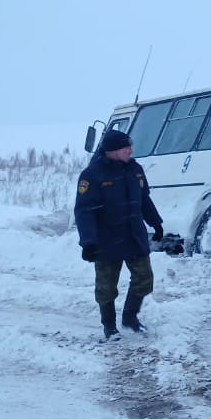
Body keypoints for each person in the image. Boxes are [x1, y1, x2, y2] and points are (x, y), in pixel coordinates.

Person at [74, 130, 164, 341]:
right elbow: (84, 211)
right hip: (106, 238)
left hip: (134, 234)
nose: (130, 150)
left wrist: (156, 223)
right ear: (112, 150)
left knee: (144, 279)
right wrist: (88, 242)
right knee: (106, 286)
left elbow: (144, 200)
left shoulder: (135, 169)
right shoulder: (92, 175)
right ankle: (109, 326)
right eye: (126, 147)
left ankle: (130, 318)